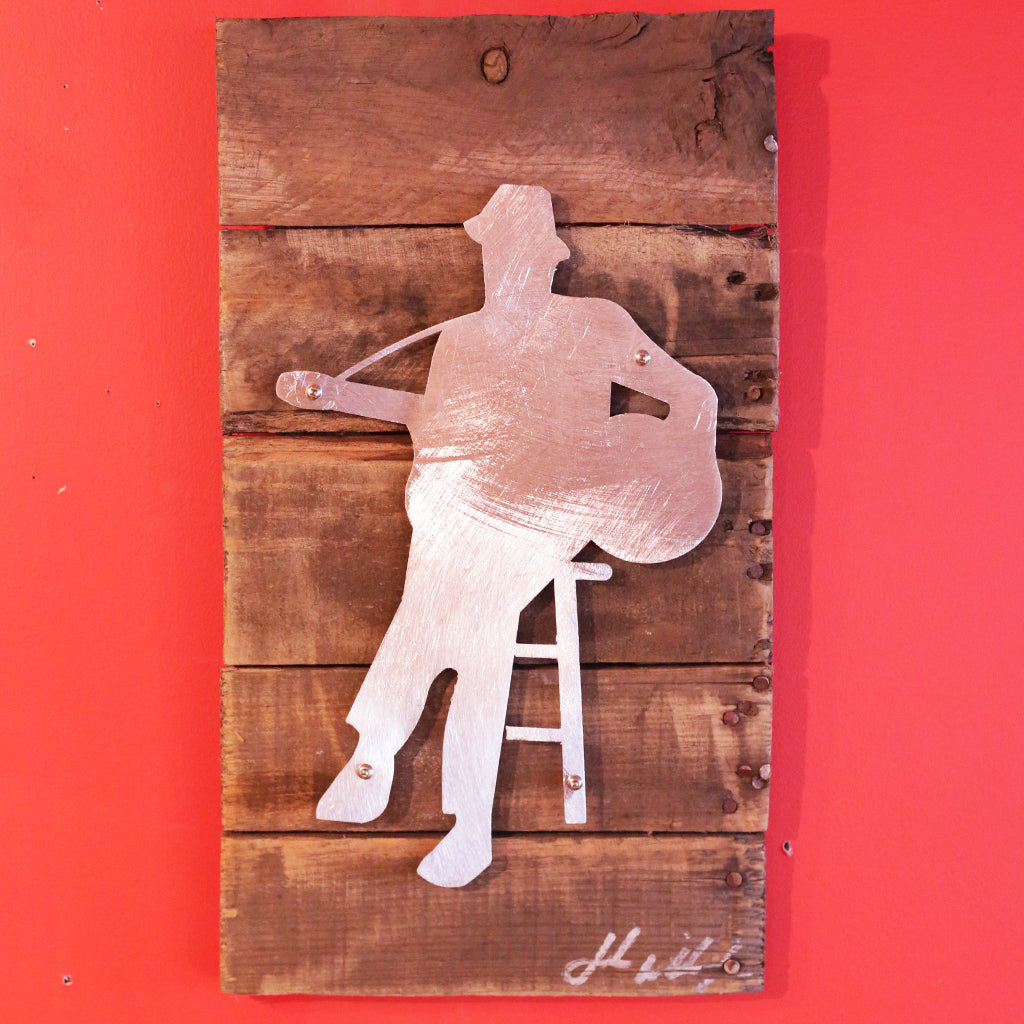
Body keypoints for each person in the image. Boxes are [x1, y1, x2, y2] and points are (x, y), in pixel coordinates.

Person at [276, 184, 722, 886]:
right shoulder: (461, 338)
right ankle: (443, 810)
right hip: (461, 511)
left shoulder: (594, 325)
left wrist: (646, 471)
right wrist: (339, 397)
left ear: (544, 258)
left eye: (513, 251)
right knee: (442, 595)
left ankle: (387, 772)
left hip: (541, 518)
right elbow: (433, 419)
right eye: (494, 253)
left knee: (461, 613)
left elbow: (696, 396)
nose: (501, 266)